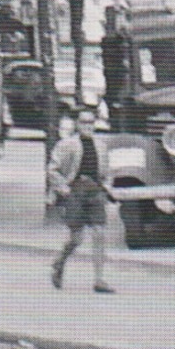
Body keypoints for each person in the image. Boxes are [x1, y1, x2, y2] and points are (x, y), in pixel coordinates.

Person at [48, 105, 114, 293]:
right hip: (75, 192)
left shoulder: (100, 145)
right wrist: (64, 190)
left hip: (94, 191)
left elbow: (107, 172)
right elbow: (52, 170)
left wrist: (106, 187)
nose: (88, 126)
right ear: (77, 124)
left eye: (91, 122)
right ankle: (60, 261)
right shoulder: (66, 145)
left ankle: (99, 280)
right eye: (84, 122)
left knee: (100, 233)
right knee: (77, 238)